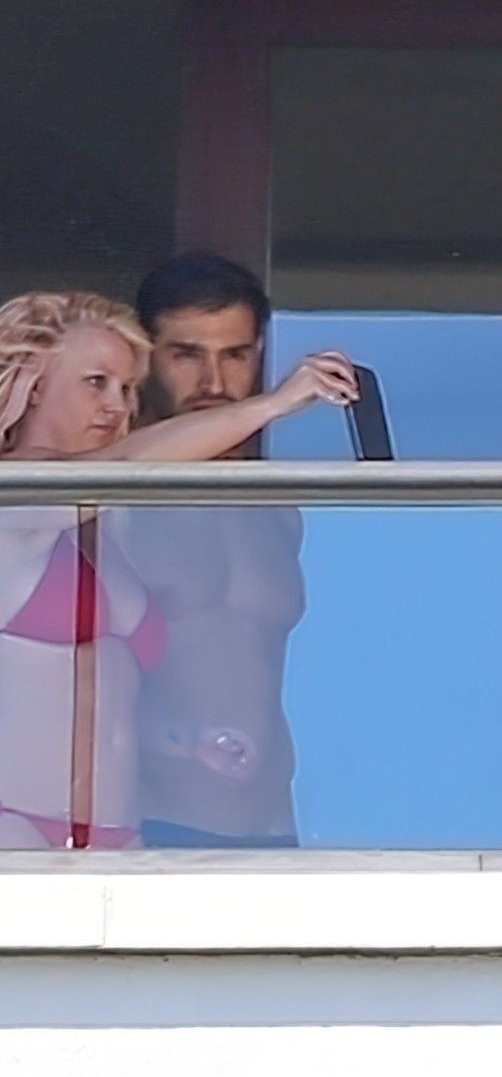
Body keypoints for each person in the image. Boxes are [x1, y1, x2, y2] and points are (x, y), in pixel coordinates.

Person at [0, 290, 357, 850]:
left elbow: (97, 698)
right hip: (6, 820)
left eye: (128, 388)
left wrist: (189, 741)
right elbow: (130, 463)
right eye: (97, 382)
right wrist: (273, 404)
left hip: (115, 837)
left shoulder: (98, 528)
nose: (116, 406)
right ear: (34, 387)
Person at [115, 252, 356, 848]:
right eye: (187, 355)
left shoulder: (275, 508)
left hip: (272, 826)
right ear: (145, 358)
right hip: (153, 820)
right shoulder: (113, 492)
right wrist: (273, 404)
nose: (214, 383)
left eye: (235, 356)